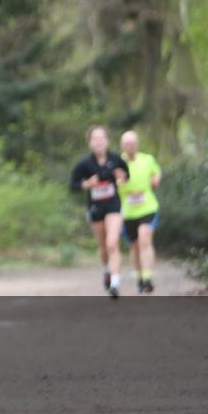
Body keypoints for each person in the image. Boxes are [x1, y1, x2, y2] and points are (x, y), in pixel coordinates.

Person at [70, 126, 129, 298]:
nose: (99, 141)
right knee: (103, 247)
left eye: (102, 137)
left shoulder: (116, 159)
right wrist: (86, 184)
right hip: (95, 208)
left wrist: (121, 178)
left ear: (108, 140)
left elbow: (126, 176)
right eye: (95, 138)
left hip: (113, 206)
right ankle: (106, 271)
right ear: (89, 142)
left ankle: (115, 283)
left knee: (112, 243)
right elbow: (73, 185)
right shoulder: (84, 164)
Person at [118, 131, 161, 294]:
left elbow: (157, 171)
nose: (130, 146)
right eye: (126, 143)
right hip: (127, 211)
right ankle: (139, 278)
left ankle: (148, 277)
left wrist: (156, 179)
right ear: (122, 145)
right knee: (135, 246)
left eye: (132, 143)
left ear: (137, 144)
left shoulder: (147, 159)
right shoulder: (117, 162)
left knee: (145, 239)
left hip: (148, 208)